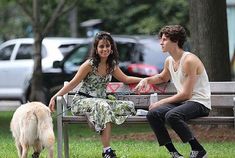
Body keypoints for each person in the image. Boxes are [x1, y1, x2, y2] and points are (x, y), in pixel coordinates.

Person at [49, 31, 142, 158]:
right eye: (101, 46)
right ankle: (107, 151)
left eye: (107, 46)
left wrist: (145, 80)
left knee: (126, 105)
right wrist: (55, 96)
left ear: (111, 48)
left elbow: (125, 79)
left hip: (100, 102)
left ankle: (93, 118)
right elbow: (71, 84)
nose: (105, 49)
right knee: (103, 106)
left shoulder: (111, 65)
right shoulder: (89, 64)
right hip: (82, 101)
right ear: (96, 49)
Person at [135, 25, 211, 158]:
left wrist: (161, 102)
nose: (161, 42)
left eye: (164, 39)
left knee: (172, 115)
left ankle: (198, 149)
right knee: (152, 114)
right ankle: (174, 153)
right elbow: (162, 77)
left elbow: (187, 94)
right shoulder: (169, 60)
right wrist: (146, 80)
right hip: (184, 103)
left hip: (199, 102)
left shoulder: (189, 60)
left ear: (175, 41)